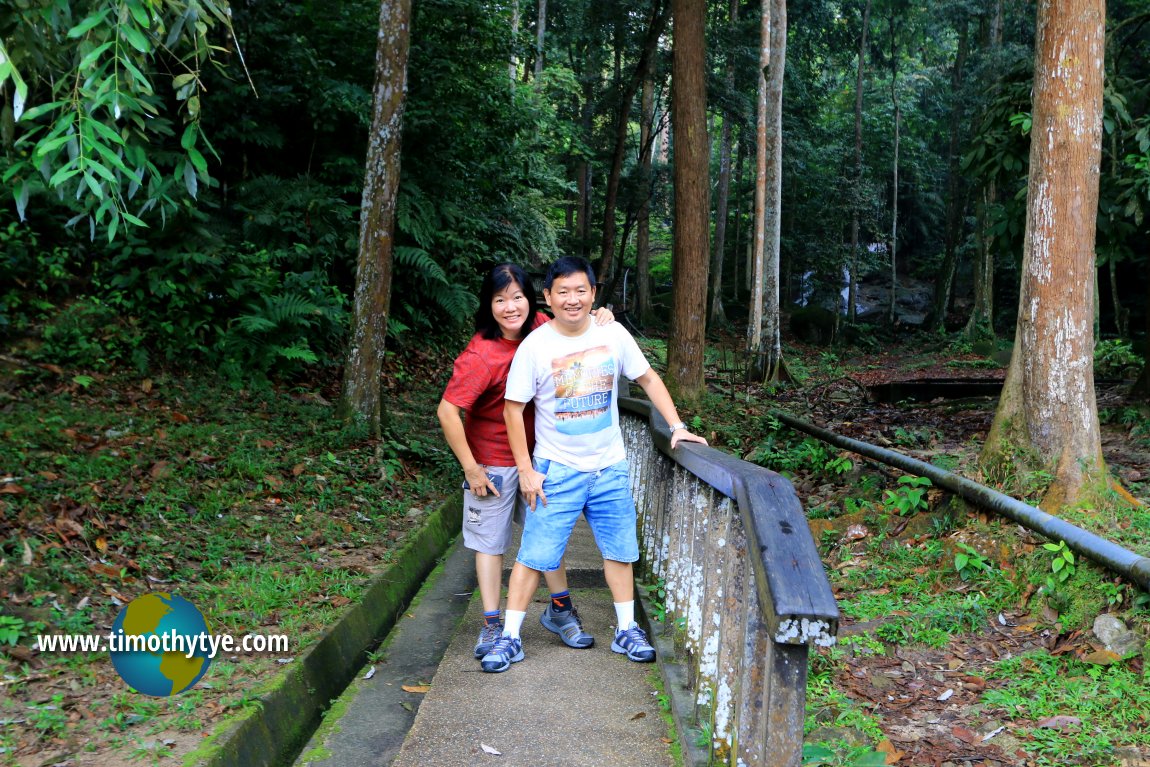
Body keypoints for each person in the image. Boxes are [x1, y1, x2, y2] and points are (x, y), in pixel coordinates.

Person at [480, 255, 707, 673]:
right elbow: (513, 411)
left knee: (619, 551)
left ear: (593, 294)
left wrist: (677, 425)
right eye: (562, 291)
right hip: (556, 468)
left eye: (580, 290)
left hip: (609, 467)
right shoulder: (535, 346)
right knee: (535, 555)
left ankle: (626, 630)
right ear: (547, 297)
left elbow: (649, 379)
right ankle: (509, 637)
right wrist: (527, 470)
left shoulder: (613, 334)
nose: (572, 299)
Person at [437, 263, 614, 662]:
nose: (510, 307)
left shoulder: (540, 326)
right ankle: (491, 624)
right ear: (489, 305)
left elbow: (577, 318)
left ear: (533, 298)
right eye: (500, 300)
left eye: (517, 297)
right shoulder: (480, 355)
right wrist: (470, 467)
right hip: (494, 464)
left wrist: (603, 317)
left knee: (546, 536)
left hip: (543, 457)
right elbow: (448, 412)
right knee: (490, 545)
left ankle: (561, 609)